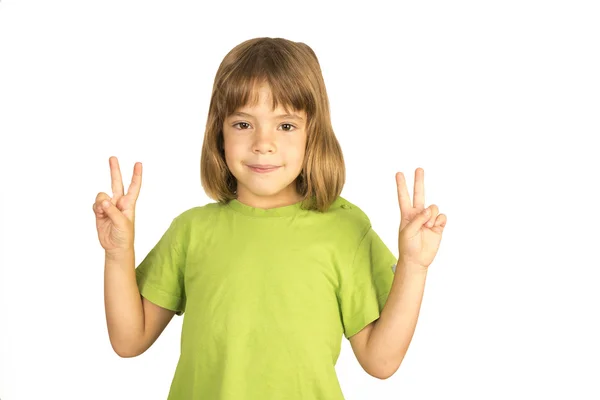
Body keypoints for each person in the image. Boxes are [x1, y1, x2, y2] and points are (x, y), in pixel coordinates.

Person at [93, 37, 447, 400]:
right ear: (219, 133)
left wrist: (415, 266)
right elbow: (128, 340)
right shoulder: (191, 230)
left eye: (286, 126)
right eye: (243, 124)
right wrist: (117, 254)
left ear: (314, 134)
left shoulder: (346, 229)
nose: (264, 143)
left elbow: (381, 361)